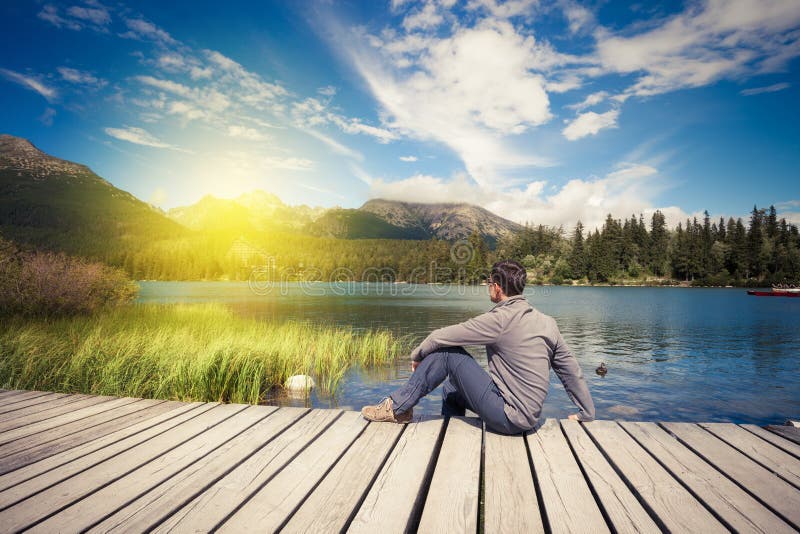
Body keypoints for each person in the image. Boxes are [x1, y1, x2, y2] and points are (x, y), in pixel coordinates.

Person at [361, 259, 595, 434]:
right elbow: (571, 370)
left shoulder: (499, 319)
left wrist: (417, 355)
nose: (488, 288)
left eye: (489, 284)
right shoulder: (548, 323)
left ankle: (397, 407)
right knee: (452, 386)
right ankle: (450, 431)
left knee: (447, 354)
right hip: (529, 418)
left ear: (496, 287)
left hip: (509, 418)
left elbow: (440, 336)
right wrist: (587, 412)